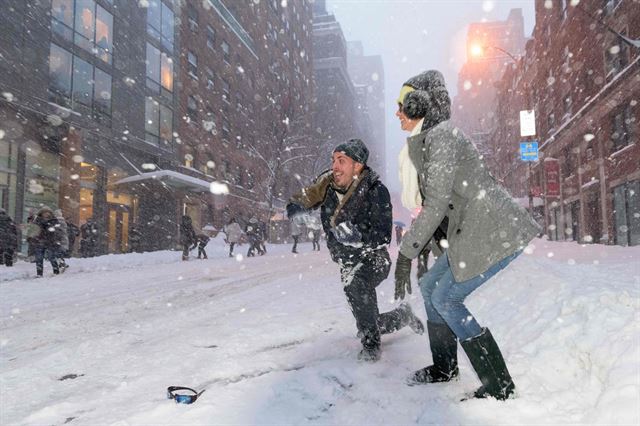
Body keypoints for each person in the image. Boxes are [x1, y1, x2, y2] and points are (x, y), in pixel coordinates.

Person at [393, 70, 541, 400]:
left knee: (446, 297)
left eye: (402, 103)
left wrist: (406, 253)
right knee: (431, 286)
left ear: (420, 104)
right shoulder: (428, 141)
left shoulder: (442, 137)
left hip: (492, 228)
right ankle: (445, 367)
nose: (397, 112)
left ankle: (499, 384)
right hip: (472, 229)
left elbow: (435, 205)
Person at [287, 138, 425, 362]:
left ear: (357, 165)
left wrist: (357, 236)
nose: (335, 166)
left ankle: (371, 346)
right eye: (333, 160)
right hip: (346, 260)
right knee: (366, 317)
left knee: (356, 285)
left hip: (374, 257)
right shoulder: (326, 185)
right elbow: (301, 200)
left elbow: (382, 236)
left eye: (342, 161)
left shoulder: (376, 191)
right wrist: (297, 211)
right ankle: (402, 315)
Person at [32, 206, 63, 277]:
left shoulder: (54, 220)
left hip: (50, 242)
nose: (46, 214)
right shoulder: (37, 220)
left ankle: (56, 271)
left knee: (51, 257)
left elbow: (58, 232)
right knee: (39, 258)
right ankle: (39, 273)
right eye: (44, 212)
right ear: (41, 213)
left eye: (47, 212)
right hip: (40, 241)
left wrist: (57, 240)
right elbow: (33, 230)